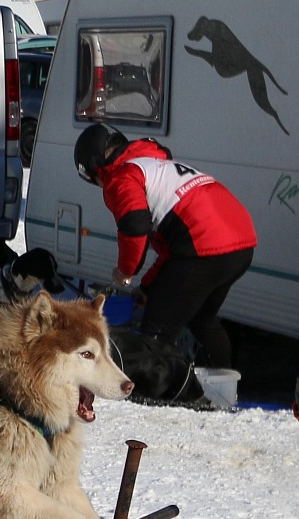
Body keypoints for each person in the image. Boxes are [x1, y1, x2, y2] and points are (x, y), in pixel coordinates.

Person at [72, 124, 255, 368]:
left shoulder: (123, 176)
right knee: (202, 319)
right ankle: (222, 389)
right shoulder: (153, 164)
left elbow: (135, 226)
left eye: (93, 178)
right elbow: (173, 249)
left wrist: (126, 271)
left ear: (95, 167)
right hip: (240, 241)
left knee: (156, 332)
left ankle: (150, 398)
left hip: (205, 245)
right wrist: (147, 287)